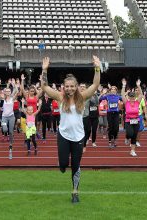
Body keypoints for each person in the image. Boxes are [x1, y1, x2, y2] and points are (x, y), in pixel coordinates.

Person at [40, 55, 101, 203]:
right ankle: (62, 165)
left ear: (76, 86)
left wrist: (97, 68)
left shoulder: (82, 97)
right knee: (62, 164)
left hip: (79, 137)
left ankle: (75, 192)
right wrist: (44, 71)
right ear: (63, 87)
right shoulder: (60, 97)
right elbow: (45, 87)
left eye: (72, 86)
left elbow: (94, 85)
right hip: (64, 135)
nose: (70, 89)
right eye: (67, 86)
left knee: (76, 165)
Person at [121, 79, 143, 157]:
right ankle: (127, 137)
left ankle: (132, 150)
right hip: (128, 120)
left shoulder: (137, 102)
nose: (132, 98)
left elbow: (141, 94)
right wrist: (123, 85)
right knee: (130, 133)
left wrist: (138, 85)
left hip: (136, 121)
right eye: (131, 96)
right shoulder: (126, 103)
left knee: (134, 135)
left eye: (133, 96)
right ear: (129, 97)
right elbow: (122, 95)